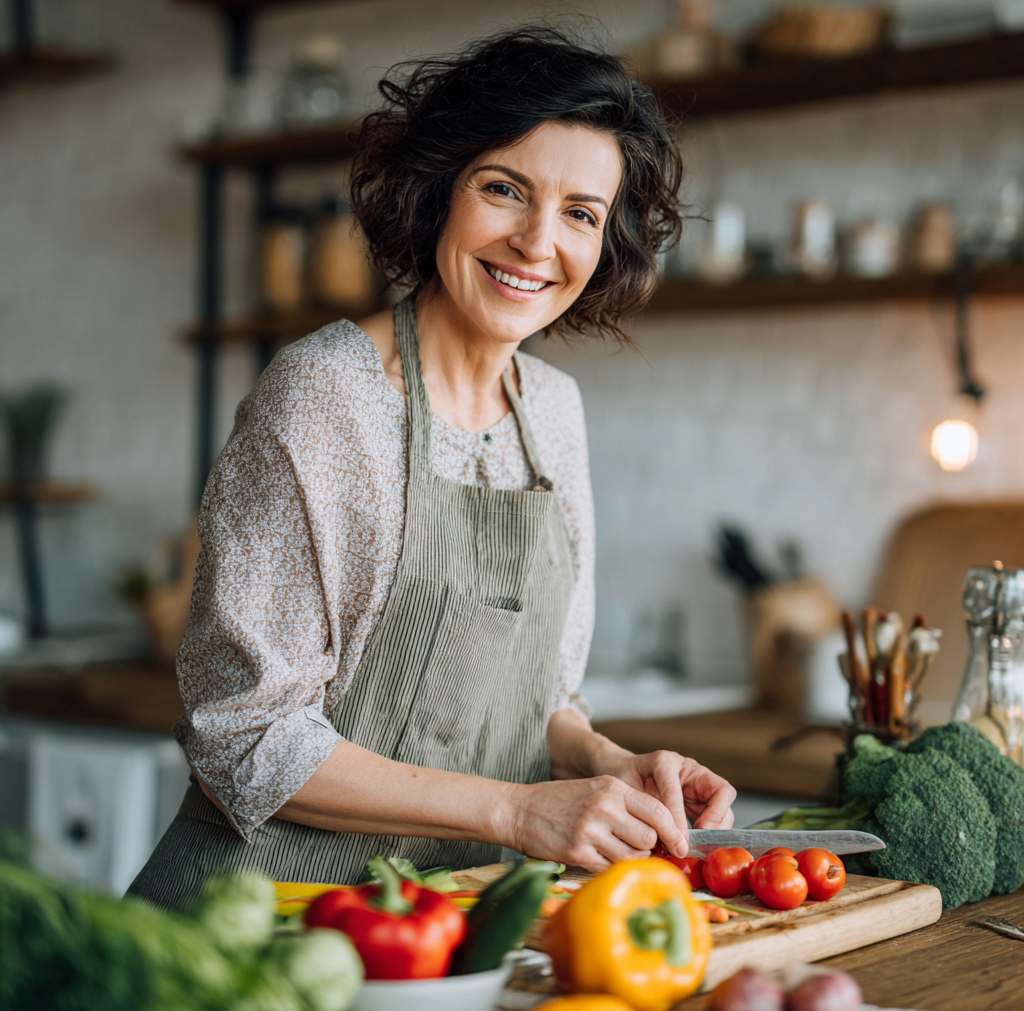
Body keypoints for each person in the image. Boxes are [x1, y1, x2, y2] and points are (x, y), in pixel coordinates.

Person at [128, 27, 736, 909]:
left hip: (441, 937)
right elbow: (245, 738)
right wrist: (520, 813)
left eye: (581, 213)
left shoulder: (555, 415)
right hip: (254, 929)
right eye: (504, 189)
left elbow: (535, 706)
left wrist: (609, 765)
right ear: (437, 191)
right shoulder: (325, 395)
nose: (537, 242)